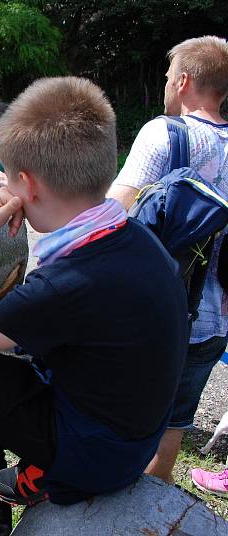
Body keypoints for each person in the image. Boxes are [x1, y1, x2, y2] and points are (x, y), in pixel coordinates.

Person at [0, 77, 188, 535]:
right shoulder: (137, 238)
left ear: (26, 185)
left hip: (93, 456)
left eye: (9, 177)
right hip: (135, 435)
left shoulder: (64, 285)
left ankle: (45, 471)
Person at [106, 35, 228, 485]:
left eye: (166, 76)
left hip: (153, 315)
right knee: (173, 423)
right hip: (214, 321)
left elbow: (112, 213)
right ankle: (152, 514)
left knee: (120, 414)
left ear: (183, 80)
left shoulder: (165, 133)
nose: (164, 83)